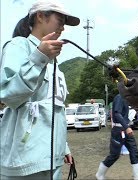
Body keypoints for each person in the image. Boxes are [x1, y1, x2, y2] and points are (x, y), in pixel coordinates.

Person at [0, 1, 80, 179]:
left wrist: (63, 145)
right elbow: (8, 96)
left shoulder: (53, 62)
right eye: (60, 20)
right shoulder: (18, 46)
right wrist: (39, 57)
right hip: (25, 159)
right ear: (40, 16)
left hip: (52, 157)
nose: (63, 27)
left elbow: (52, 107)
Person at [95, 93, 138, 180]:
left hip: (126, 129)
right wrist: (126, 127)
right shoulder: (119, 97)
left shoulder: (126, 98)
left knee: (134, 151)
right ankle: (100, 174)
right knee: (114, 155)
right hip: (118, 130)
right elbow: (117, 114)